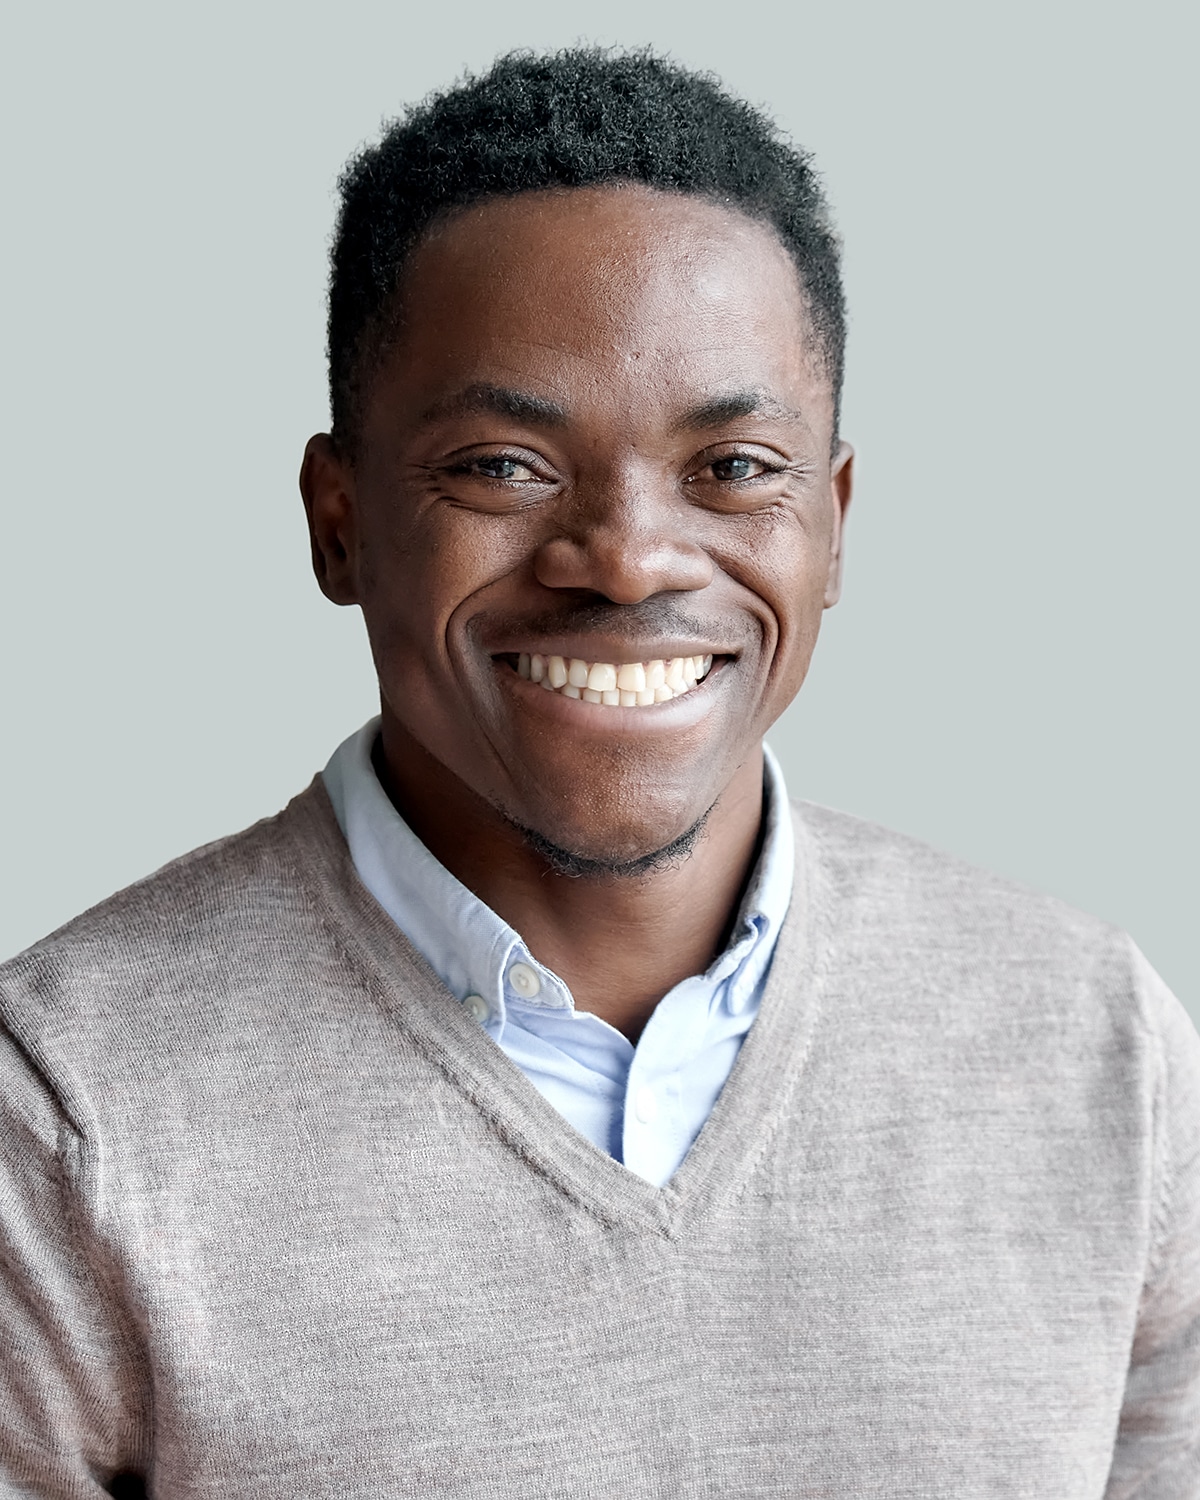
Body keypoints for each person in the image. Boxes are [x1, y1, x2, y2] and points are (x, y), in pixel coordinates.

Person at [1, 47, 1196, 1499]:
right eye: (504, 465)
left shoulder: (1090, 1047)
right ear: (338, 523)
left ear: (834, 525)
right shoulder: (64, 1111)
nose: (629, 558)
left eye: (735, 467)